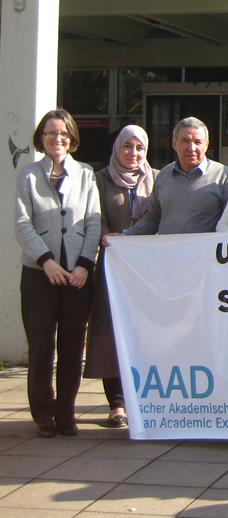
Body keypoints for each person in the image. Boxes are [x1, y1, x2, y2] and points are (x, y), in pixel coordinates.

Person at [13, 109, 101, 438]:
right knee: (40, 345)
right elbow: (23, 224)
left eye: (63, 133)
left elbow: (93, 221)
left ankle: (66, 412)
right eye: (50, 133)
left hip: (77, 275)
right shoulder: (29, 175)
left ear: (72, 137)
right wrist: (46, 260)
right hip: (39, 274)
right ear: (41, 138)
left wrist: (84, 265)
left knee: (72, 344)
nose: (57, 138)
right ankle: (43, 412)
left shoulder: (86, 175)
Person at [86, 125, 158, 430]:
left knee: (146, 334)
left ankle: (145, 397)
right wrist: (109, 238)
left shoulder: (157, 177)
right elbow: (94, 219)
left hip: (148, 272)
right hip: (112, 269)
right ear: (116, 148)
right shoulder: (99, 179)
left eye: (139, 147)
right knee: (110, 333)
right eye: (127, 146)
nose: (133, 153)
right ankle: (116, 402)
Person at [125, 117, 228, 235]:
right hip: (168, 252)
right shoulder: (163, 176)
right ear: (174, 144)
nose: (191, 148)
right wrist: (124, 237)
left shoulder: (223, 176)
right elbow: (152, 219)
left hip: (206, 252)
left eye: (197, 142)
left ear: (207, 145)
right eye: (185, 141)